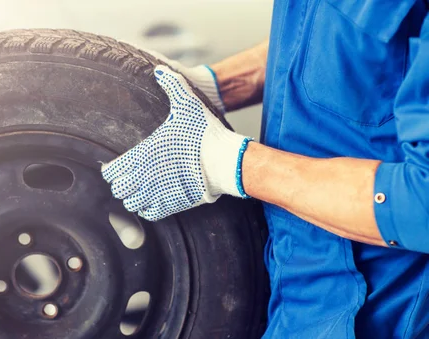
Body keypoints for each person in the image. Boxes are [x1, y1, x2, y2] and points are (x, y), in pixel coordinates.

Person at [102, 1, 429, 338]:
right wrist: (215, 86)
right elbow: (334, 33)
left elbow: (422, 204)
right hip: (297, 294)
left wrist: (235, 163)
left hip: (377, 313)